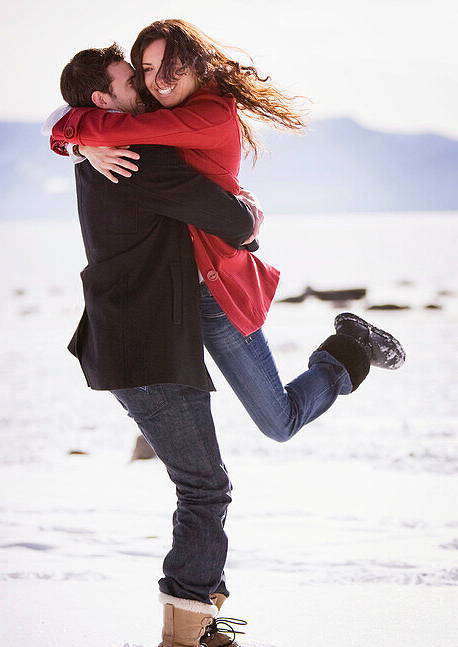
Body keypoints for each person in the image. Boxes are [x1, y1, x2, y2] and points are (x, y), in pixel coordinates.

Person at [51, 39, 402, 647]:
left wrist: (78, 137)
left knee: (221, 469)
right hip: (148, 348)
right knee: (205, 489)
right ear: (104, 100)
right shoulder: (133, 158)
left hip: (146, 339)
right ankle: (182, 641)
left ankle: (204, 617)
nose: (148, 89)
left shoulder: (102, 156)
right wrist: (242, 210)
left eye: (155, 73)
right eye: (135, 80)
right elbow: (236, 224)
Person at [50, 19, 405, 450]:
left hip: (213, 290)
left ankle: (350, 350)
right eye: (143, 70)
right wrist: (77, 142)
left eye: (169, 66)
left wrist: (78, 137)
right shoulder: (162, 108)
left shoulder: (207, 114)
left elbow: (108, 126)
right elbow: (73, 116)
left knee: (279, 421)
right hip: (173, 300)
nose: (155, 82)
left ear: (194, 62)